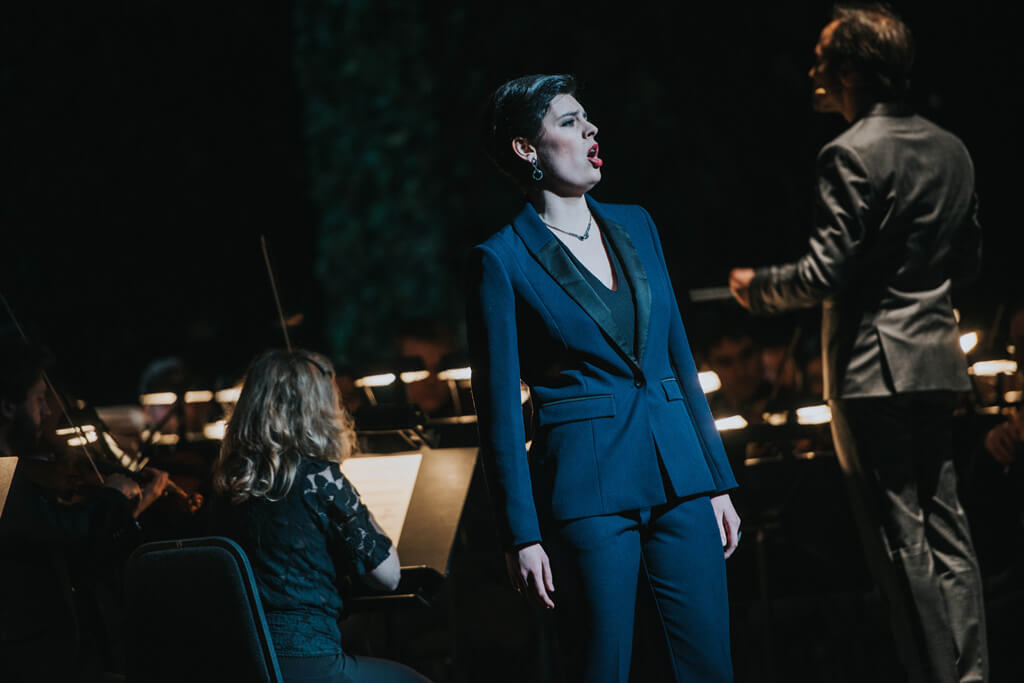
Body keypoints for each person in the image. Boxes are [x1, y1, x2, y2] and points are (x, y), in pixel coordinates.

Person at [728, 6, 985, 682]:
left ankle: (933, 674)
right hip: (937, 360)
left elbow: (822, 274)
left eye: (820, 59)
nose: (811, 71)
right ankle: (971, 674)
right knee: (950, 534)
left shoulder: (847, 152)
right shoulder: (951, 147)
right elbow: (971, 260)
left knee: (901, 542)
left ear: (848, 70)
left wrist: (758, 288)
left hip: (873, 370)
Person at [469, 74, 739, 683]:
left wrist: (715, 478)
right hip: (586, 488)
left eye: (587, 118)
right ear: (525, 149)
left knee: (707, 667)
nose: (590, 129)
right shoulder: (501, 258)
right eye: (568, 121)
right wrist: (520, 534)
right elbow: (499, 413)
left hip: (681, 475)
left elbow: (678, 359)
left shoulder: (636, 224)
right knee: (601, 668)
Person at [209, 349, 430, 683]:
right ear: (315, 410)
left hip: (239, 663)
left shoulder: (225, 484)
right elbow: (389, 577)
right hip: (307, 663)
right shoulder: (319, 478)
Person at [0, 331, 170, 680]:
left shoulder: (11, 470)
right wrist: (113, 497)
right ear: (7, 405)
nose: (48, 411)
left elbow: (68, 548)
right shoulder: (2, 476)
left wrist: (126, 507)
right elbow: (63, 531)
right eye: (39, 399)